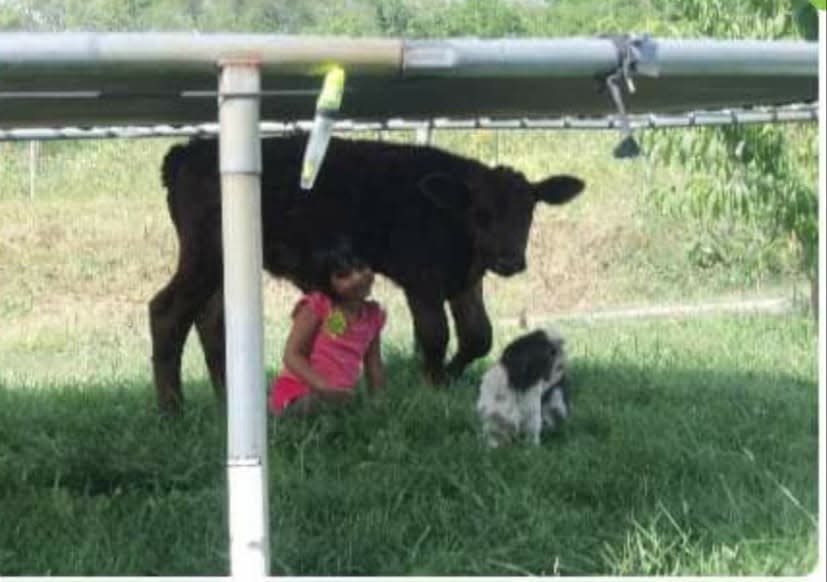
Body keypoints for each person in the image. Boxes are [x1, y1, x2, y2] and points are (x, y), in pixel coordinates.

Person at [268, 238, 386, 416]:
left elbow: (373, 364)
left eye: (362, 268)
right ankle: (271, 409)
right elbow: (292, 354)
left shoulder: (372, 316)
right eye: (343, 275)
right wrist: (322, 386)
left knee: (344, 412)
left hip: (337, 397)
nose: (357, 278)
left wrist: (379, 403)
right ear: (327, 283)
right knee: (318, 407)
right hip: (300, 390)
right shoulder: (321, 307)